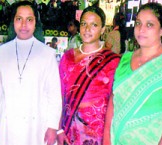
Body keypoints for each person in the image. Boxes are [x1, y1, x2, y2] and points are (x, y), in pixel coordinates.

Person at [106, 3, 162, 144]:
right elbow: (113, 103)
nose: (141, 30)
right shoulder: (125, 59)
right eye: (138, 23)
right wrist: (107, 141)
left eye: (149, 25)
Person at [0, 1, 62, 145]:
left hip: (37, 125)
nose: (24, 25)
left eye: (29, 20)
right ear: (13, 21)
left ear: (36, 23)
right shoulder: (0, 53)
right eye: (19, 19)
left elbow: (54, 95)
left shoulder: (47, 54)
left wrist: (52, 127)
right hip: (7, 125)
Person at [58, 6, 120, 145]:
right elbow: (60, 95)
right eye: (84, 24)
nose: (87, 29)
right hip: (69, 129)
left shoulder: (113, 61)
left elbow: (115, 101)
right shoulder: (67, 58)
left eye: (94, 25)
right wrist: (59, 129)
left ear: (103, 29)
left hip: (98, 132)